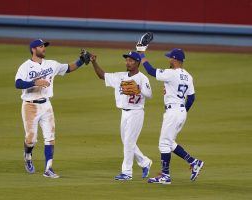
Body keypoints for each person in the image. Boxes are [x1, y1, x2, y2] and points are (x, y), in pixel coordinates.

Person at [15, 39, 88, 178]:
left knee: (50, 137)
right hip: (30, 105)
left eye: (44, 46)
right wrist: (34, 82)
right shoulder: (25, 66)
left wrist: (81, 60)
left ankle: (48, 169)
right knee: (31, 139)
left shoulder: (52, 64)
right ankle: (28, 155)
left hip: (46, 106)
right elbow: (18, 83)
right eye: (41, 46)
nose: (44, 49)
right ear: (33, 49)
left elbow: (68, 68)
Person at [139, 48, 204, 184]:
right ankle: (194, 162)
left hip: (173, 112)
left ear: (175, 60)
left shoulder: (171, 73)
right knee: (170, 142)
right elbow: (191, 98)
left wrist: (142, 55)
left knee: (164, 143)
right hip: (180, 112)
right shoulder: (188, 76)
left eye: (170, 58)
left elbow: (150, 71)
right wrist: (183, 111)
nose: (168, 60)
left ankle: (165, 176)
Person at [90, 51, 153, 180]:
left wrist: (138, 89)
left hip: (136, 112)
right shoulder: (120, 76)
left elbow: (150, 95)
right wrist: (94, 62)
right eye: (127, 60)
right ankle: (145, 162)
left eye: (131, 61)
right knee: (127, 142)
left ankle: (127, 173)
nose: (127, 63)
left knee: (129, 142)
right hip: (124, 113)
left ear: (137, 63)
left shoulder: (142, 78)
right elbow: (102, 76)